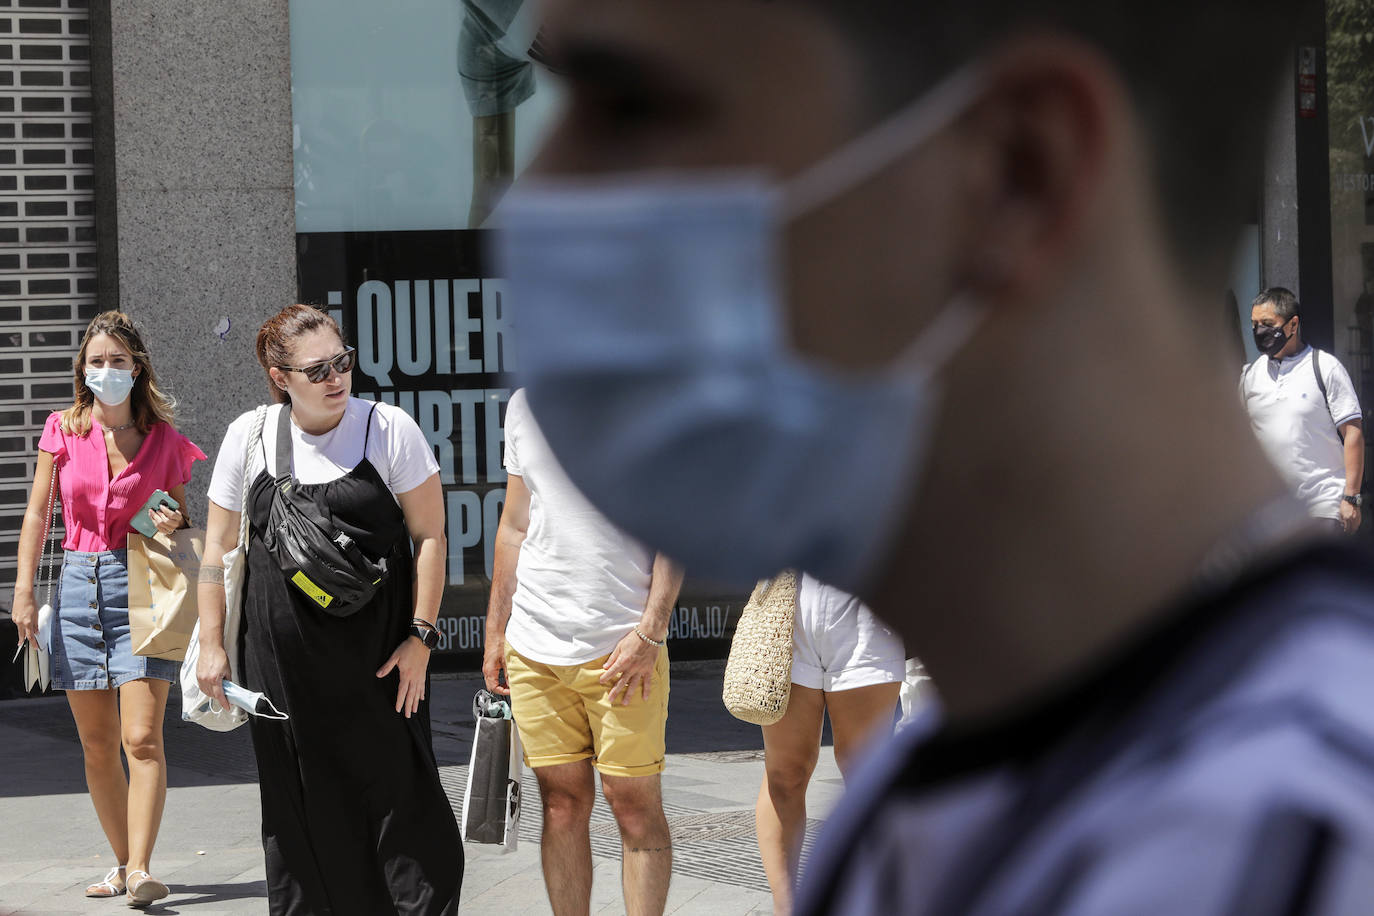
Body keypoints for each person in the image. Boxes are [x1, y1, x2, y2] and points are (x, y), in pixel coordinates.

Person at [492, 1, 1374, 912]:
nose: (541, 190)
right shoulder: (918, 813)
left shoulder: (1309, 847)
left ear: (1016, 171)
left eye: (635, 106)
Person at [194, 305, 461, 915]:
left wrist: (421, 638)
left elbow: (430, 537)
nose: (336, 378)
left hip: (382, 667)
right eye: (318, 370)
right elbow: (217, 548)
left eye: (342, 362)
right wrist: (212, 642)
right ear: (279, 375)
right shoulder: (251, 435)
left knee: (402, 810)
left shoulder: (388, 429)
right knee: (298, 816)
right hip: (281, 675)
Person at [10, 311, 205, 907]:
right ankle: (122, 863)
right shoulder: (62, 430)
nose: (107, 370)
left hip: (141, 581)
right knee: (97, 743)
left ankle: (143, 867)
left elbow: (174, 519)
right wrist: (23, 593)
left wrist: (170, 518)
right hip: (74, 585)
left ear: (137, 367)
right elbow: (39, 516)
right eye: (97, 361)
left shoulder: (164, 439)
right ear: (83, 370)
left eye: (118, 360)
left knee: (141, 737)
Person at [483, 388, 684, 916]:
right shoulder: (525, 405)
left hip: (624, 648)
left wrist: (650, 633)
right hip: (536, 646)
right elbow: (514, 526)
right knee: (562, 806)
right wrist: (497, 628)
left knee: (634, 808)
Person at [755, 574, 905, 916]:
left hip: (868, 609)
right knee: (784, 775)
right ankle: (787, 907)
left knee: (866, 775)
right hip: (787, 605)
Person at [1242, 286, 1364, 533]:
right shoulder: (1250, 376)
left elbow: (1353, 433)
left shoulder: (1325, 367)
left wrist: (1351, 497)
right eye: (1254, 324)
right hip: (1267, 515)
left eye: (1267, 323)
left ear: (1293, 325)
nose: (1259, 331)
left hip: (1322, 506)